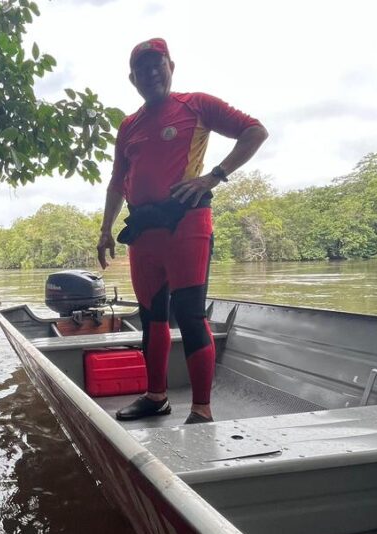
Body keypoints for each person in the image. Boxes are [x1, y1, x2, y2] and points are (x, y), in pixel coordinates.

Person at [97, 38, 268, 424]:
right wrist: (106, 229)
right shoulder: (128, 125)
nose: (151, 73)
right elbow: (116, 182)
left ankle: (202, 410)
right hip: (143, 231)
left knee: (190, 315)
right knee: (151, 316)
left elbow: (254, 131)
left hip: (186, 223)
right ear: (132, 78)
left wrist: (213, 176)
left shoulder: (197, 105)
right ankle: (155, 397)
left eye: (157, 65)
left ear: (171, 66)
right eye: (142, 69)